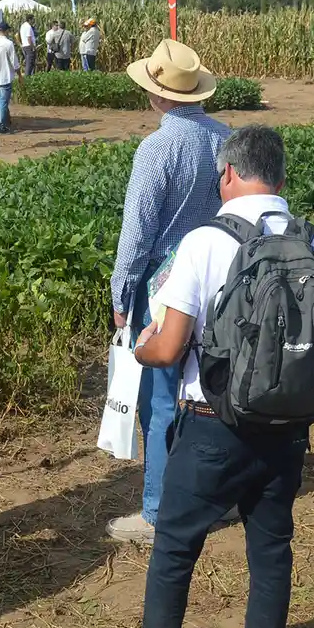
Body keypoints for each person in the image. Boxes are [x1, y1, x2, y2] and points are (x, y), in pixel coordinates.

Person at [105, 125, 314, 628]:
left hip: (213, 425)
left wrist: (138, 348)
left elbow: (167, 347)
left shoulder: (205, 242)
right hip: (288, 430)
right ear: (281, 178)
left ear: (228, 175)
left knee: (177, 545)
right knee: (272, 549)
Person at [105, 40, 230, 544]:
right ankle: (211, 497)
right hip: (219, 277)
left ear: (158, 97)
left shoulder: (156, 148)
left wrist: (121, 295)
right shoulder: (226, 138)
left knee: (159, 400)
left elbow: (136, 234)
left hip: (163, 285)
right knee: (209, 391)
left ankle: (157, 508)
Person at [0, 20, 19, 134]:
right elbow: (14, 61)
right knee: (3, 102)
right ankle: (1, 125)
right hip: (5, 76)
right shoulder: (9, 44)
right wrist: (19, 75)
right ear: (6, 31)